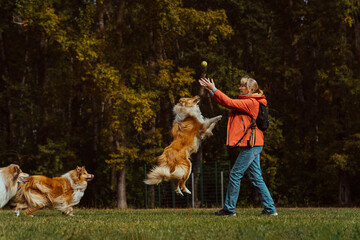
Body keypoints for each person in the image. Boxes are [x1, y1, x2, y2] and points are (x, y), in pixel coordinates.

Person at [198, 76, 277, 216]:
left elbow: (229, 102)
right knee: (256, 177)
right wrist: (212, 92)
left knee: (235, 174)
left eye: (242, 86)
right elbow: (227, 103)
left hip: (252, 145)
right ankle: (270, 209)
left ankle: (229, 209)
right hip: (254, 143)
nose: (239, 88)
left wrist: (214, 89)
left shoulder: (252, 102)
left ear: (250, 89)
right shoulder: (249, 101)